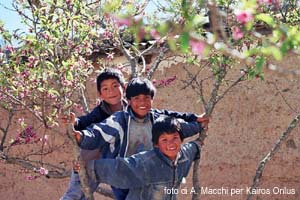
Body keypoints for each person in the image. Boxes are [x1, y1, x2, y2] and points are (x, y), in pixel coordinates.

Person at [74, 77, 209, 199]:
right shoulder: (120, 120)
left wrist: (198, 124)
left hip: (150, 171)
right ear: (129, 101)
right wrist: (81, 137)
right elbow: (98, 133)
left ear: (152, 99)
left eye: (146, 98)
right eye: (136, 99)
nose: (142, 102)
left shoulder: (157, 119)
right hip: (125, 175)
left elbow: (179, 127)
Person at [85, 116, 201, 200]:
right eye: (164, 140)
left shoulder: (184, 156)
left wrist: (199, 142)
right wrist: (87, 167)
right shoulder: (145, 164)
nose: (171, 144)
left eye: (175, 138)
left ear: (181, 139)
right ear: (156, 144)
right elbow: (118, 170)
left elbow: (193, 148)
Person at [60, 67, 127, 200]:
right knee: (76, 194)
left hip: (118, 162)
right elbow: (85, 121)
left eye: (115, 86)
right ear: (100, 94)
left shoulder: (132, 111)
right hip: (93, 159)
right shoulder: (99, 112)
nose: (111, 92)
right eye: (105, 89)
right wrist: (74, 122)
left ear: (124, 88)